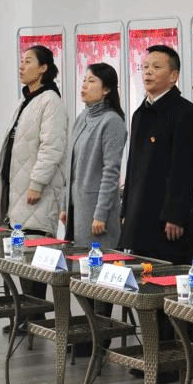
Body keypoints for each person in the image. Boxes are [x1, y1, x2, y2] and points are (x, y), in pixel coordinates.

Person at [120, 44, 193, 380]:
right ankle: (151, 355)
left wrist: (176, 214)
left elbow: (186, 170)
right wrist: (126, 211)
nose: (148, 72)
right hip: (141, 217)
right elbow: (133, 168)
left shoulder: (187, 114)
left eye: (156, 66)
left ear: (174, 75)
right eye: (145, 66)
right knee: (147, 290)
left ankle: (172, 362)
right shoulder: (141, 113)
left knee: (171, 292)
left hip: (169, 222)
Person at [0, 45, 68, 308]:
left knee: (36, 258)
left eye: (28, 61)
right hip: (18, 191)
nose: (22, 66)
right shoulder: (27, 100)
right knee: (21, 257)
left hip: (35, 193)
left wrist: (37, 183)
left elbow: (52, 147)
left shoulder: (50, 101)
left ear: (43, 68)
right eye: (22, 61)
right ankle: (25, 316)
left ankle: (35, 316)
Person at [60, 62, 127, 250]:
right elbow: (71, 167)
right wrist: (64, 204)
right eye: (84, 80)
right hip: (76, 210)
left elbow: (111, 172)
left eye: (91, 81)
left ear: (106, 89)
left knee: (96, 262)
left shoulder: (112, 121)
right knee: (77, 262)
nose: (84, 85)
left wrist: (101, 214)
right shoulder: (82, 118)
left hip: (96, 213)